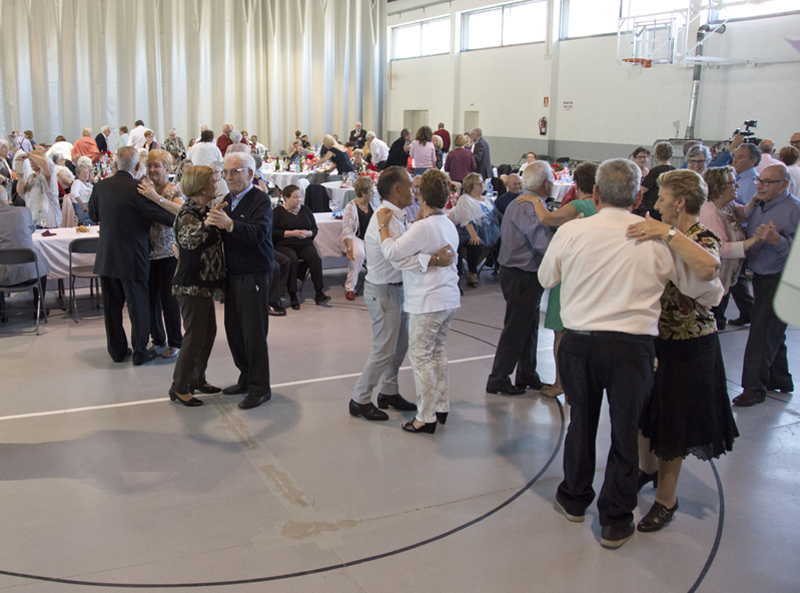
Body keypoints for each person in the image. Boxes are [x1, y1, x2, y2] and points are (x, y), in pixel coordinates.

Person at [539, 158, 722, 549]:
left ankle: (574, 498)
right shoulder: (654, 238)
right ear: (639, 195)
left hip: (581, 342)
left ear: (597, 194)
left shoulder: (573, 231)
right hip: (632, 349)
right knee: (625, 434)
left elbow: (546, 278)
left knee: (581, 424)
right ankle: (616, 521)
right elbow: (705, 287)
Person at [628, 169, 738, 533]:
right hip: (654, 339)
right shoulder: (658, 234)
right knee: (648, 415)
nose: (655, 204)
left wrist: (668, 233)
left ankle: (666, 500)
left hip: (688, 345)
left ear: (679, 202)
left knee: (673, 423)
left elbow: (709, 268)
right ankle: (647, 471)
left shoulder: (700, 237)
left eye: (661, 198)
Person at [348, 166, 454, 422]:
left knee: (399, 347)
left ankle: (389, 391)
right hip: (383, 291)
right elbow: (397, 259)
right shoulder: (385, 218)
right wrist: (433, 260)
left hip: (399, 290)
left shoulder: (399, 216)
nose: (414, 191)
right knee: (384, 349)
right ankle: (359, 399)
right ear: (397, 190)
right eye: (410, 185)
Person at [376, 168, 460, 433]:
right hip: (448, 298)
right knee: (437, 353)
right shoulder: (446, 223)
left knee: (420, 357)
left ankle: (425, 416)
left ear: (421, 195)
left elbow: (391, 252)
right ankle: (441, 405)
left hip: (428, 301)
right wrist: (428, 260)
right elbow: (411, 257)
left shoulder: (423, 227)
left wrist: (382, 226)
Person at [88, 147, 176, 365]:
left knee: (112, 309)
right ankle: (139, 352)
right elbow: (166, 218)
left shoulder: (100, 186)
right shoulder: (138, 189)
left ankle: (117, 351)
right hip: (133, 258)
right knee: (138, 307)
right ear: (138, 166)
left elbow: (92, 215)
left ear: (115, 164)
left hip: (107, 257)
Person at [519, 160, 599, 398]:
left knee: (560, 333)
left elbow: (546, 219)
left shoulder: (578, 205)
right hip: (591, 273)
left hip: (569, 274)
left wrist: (534, 199)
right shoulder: (602, 209)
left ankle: (560, 382)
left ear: (576, 183)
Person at [205, 152, 274, 410]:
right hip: (232, 273)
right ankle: (245, 377)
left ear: (250, 173)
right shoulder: (227, 200)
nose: (229, 177)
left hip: (254, 272)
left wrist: (230, 224)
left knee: (253, 332)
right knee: (234, 329)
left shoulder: (260, 200)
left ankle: (260, 387)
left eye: (234, 171)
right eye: (226, 172)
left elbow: (258, 233)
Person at [732, 163, 800, 407]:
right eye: (760, 179)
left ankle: (753, 388)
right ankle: (780, 379)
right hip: (761, 276)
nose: (760, 184)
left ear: (783, 185)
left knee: (761, 333)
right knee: (771, 329)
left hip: (781, 279)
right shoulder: (760, 204)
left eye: (767, 181)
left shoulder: (794, 210)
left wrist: (778, 240)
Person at [485, 162, 554, 395]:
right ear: (545, 183)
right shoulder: (530, 207)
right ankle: (499, 377)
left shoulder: (525, 202)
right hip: (521, 274)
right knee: (516, 327)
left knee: (529, 325)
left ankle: (527, 373)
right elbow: (542, 243)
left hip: (519, 272)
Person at [168, 166, 227, 407]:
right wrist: (210, 222)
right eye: (213, 181)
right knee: (194, 337)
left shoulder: (204, 210)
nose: (217, 184)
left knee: (207, 333)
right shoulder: (188, 213)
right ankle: (179, 387)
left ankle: (196, 378)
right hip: (190, 285)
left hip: (203, 285)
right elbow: (186, 240)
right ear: (202, 187)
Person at [700, 166, 761, 330]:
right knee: (715, 318)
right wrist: (756, 240)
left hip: (727, 274)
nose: (737, 186)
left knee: (719, 313)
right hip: (717, 275)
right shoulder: (711, 212)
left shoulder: (725, 204)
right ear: (719, 186)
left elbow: (741, 213)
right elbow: (721, 249)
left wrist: (754, 201)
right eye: (733, 183)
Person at [137, 150, 184, 360]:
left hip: (167, 253)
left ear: (167, 168)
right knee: (150, 299)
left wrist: (156, 199)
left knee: (169, 300)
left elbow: (181, 212)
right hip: (148, 253)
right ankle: (158, 338)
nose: (153, 169)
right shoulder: (144, 187)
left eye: (157, 165)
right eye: (150, 166)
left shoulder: (172, 189)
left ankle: (175, 342)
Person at [272, 184, 330, 307]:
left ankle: (319, 293)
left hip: (304, 243)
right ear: (286, 198)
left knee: (315, 259)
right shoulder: (277, 212)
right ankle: (293, 294)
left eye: (299, 197)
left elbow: (314, 228)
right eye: (295, 197)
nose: (298, 200)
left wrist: (308, 233)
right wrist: (291, 233)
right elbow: (271, 232)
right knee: (292, 259)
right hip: (285, 244)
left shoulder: (305, 210)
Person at [0, 185, 51, 320]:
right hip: (31, 272)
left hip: (3, 276)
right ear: (8, 198)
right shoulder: (24, 212)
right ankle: (39, 307)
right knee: (40, 260)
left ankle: (2, 313)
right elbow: (31, 229)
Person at [448, 172, 501, 288]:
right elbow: (467, 219)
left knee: (504, 239)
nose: (482, 185)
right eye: (479, 183)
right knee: (475, 242)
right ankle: (473, 273)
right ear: (471, 185)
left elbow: (496, 215)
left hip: (491, 232)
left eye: (483, 183)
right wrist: (474, 235)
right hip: (469, 232)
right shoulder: (465, 199)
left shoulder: (487, 199)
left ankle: (499, 267)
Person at [341, 176, 379, 300]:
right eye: (371, 191)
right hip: (357, 237)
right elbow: (347, 229)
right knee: (358, 254)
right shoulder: (351, 207)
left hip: (372, 237)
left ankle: (378, 284)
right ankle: (349, 287)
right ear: (363, 193)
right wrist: (349, 247)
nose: (373, 193)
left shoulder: (374, 202)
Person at [13, 150, 61, 228]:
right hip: (33, 218)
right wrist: (20, 179)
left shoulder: (48, 174)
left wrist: (28, 155)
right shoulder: (31, 177)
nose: (31, 162)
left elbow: (45, 163)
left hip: (47, 218)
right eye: (30, 160)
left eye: (33, 160)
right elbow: (21, 192)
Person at [636, 141, 675, 218]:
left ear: (657, 155)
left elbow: (643, 189)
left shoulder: (655, 171)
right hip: (669, 206)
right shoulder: (674, 171)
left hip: (653, 207)